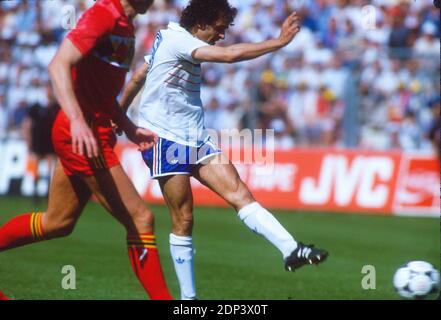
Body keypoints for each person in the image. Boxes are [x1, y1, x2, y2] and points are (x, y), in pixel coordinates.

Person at [120, 0, 328, 300]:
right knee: (184, 218)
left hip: (196, 137)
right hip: (165, 139)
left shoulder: (170, 38)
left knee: (240, 193)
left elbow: (140, 75)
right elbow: (230, 56)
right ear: (201, 24)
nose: (221, 36)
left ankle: (291, 249)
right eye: (218, 30)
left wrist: (120, 112)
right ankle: (188, 301)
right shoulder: (179, 40)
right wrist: (279, 42)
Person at [0, 0, 172, 300]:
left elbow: (101, 94)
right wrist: (78, 120)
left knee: (58, 222)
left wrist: (128, 127)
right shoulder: (104, 14)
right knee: (141, 219)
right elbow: (58, 64)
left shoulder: (125, 24)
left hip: (92, 131)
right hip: (81, 134)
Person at [22, 85, 59, 202]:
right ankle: (36, 192)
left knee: (50, 167)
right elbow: (27, 124)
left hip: (50, 141)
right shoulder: (36, 107)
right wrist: (28, 140)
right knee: (36, 167)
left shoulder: (56, 107)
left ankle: (48, 192)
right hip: (38, 141)